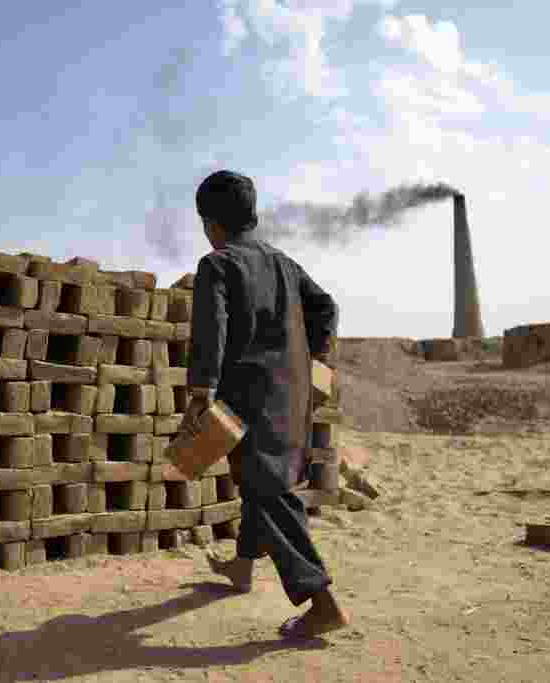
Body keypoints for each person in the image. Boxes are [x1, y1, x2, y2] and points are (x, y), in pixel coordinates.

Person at [178, 170, 349, 639]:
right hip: (290, 396)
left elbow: (210, 334)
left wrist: (200, 393)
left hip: (245, 399)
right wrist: (306, 356)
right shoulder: (284, 264)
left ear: (210, 223)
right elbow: (327, 307)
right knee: (259, 481)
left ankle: (322, 602)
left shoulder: (218, 265)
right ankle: (242, 567)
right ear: (253, 216)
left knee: (269, 491)